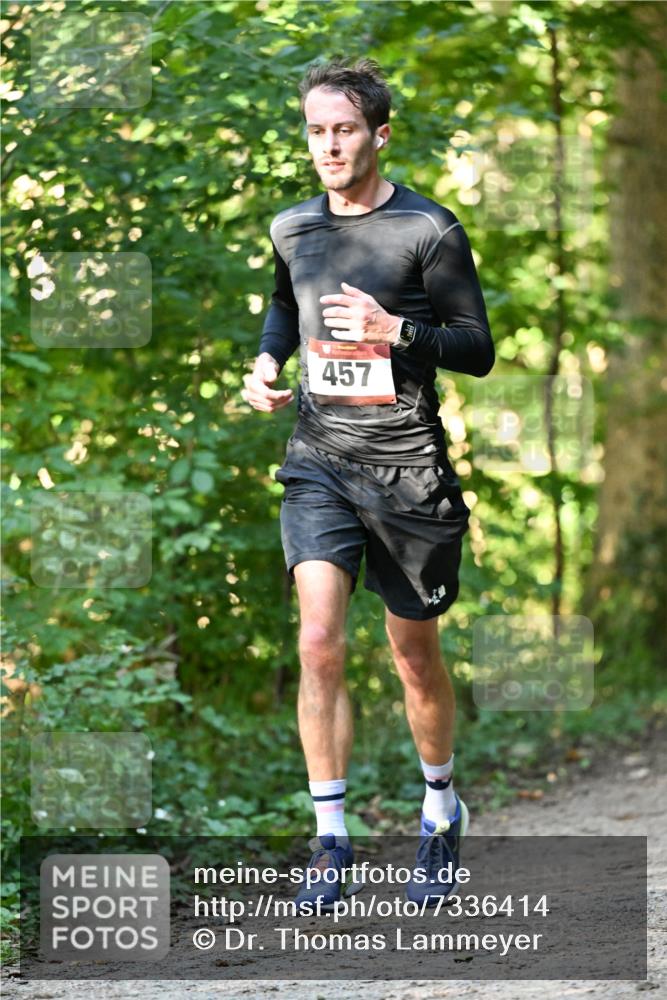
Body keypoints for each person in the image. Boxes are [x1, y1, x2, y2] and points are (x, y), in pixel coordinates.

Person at [242, 58, 494, 910]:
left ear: (379, 135)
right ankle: (332, 839)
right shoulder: (292, 228)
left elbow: (477, 349)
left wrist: (398, 331)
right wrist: (267, 360)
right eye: (315, 130)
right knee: (317, 640)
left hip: (407, 470)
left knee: (413, 656)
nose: (328, 146)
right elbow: (285, 303)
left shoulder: (428, 229)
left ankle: (438, 805)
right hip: (319, 457)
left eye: (343, 129)